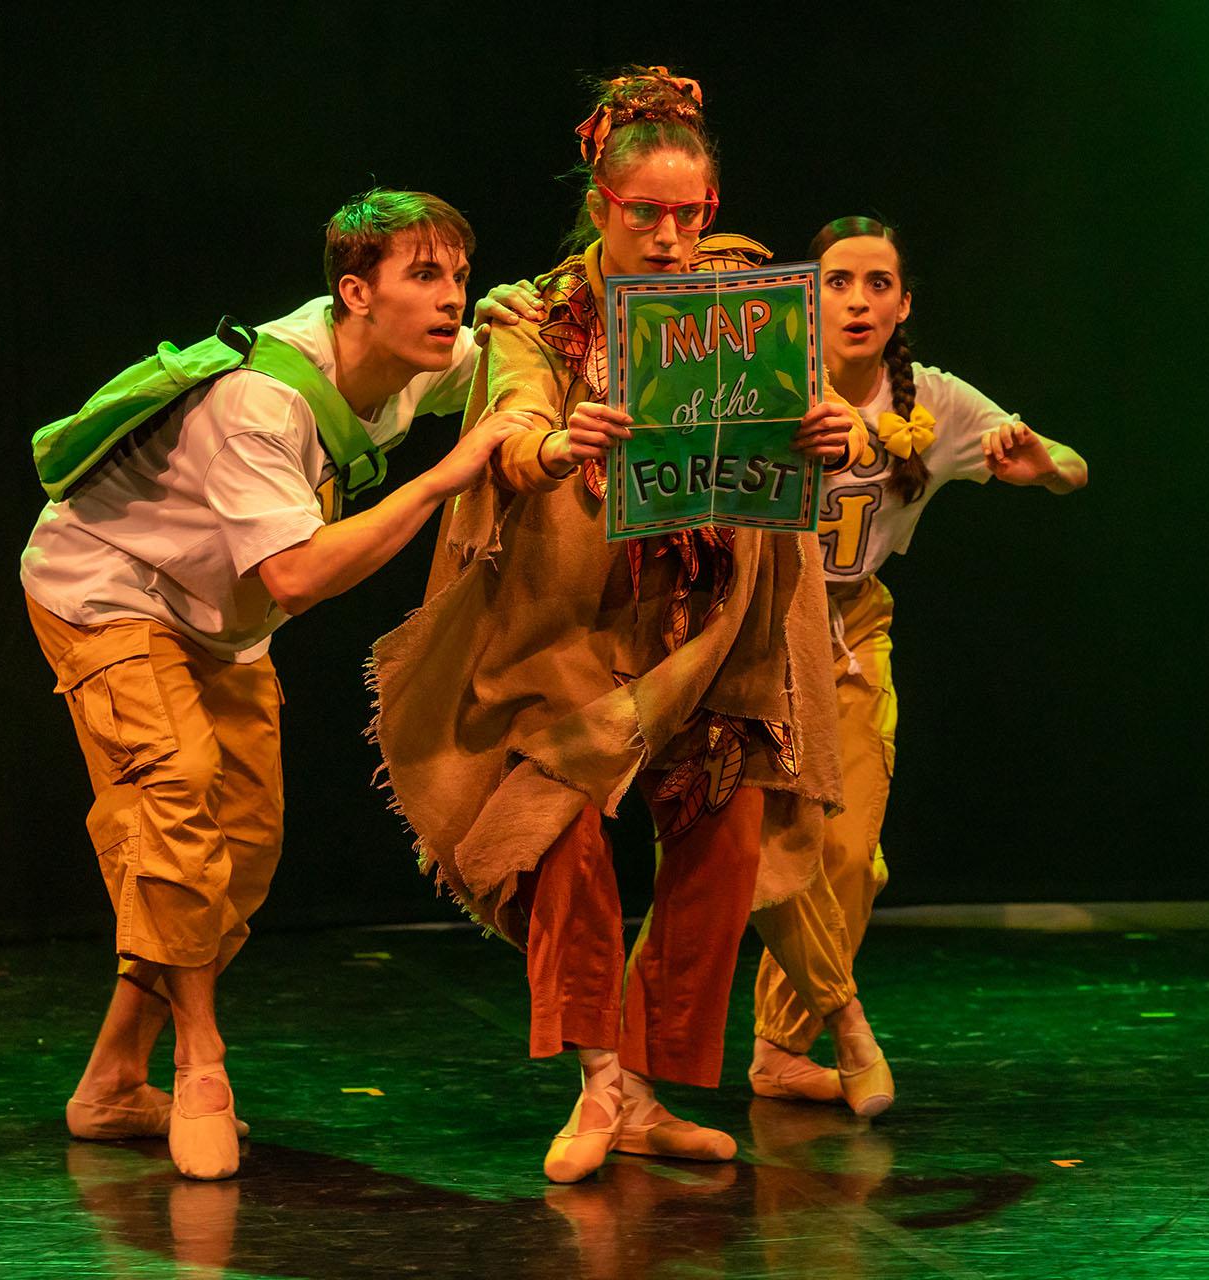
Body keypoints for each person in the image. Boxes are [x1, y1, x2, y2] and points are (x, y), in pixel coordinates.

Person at [368, 67, 878, 1183]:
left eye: (686, 210)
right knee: (562, 846)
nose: (667, 231)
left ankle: (645, 1088)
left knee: (727, 837)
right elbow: (511, 420)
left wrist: (839, 434)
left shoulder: (743, 296)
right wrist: (552, 447)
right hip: (575, 625)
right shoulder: (539, 315)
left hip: (713, 621)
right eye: (642, 210)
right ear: (600, 205)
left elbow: (824, 410)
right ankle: (599, 1077)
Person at [19, 188, 540, 1179]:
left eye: (458, 277)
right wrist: (442, 479)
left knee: (244, 849)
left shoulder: (414, 362)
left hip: (221, 621)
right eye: (424, 275)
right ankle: (202, 1061)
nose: (451, 300)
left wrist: (545, 310)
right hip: (108, 586)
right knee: (174, 797)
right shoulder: (264, 401)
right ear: (355, 292)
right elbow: (296, 575)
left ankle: (113, 1076)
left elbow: (514, 362)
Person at [747, 216, 1089, 1108]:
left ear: (903, 304)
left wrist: (1041, 466)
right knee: (754, 852)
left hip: (853, 632)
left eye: (877, 284)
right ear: (804, 292)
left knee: (852, 857)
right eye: (836, 281)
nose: (857, 300)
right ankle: (830, 1023)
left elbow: (1073, 467)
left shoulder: (931, 400)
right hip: (748, 635)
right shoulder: (759, 381)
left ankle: (782, 1047)